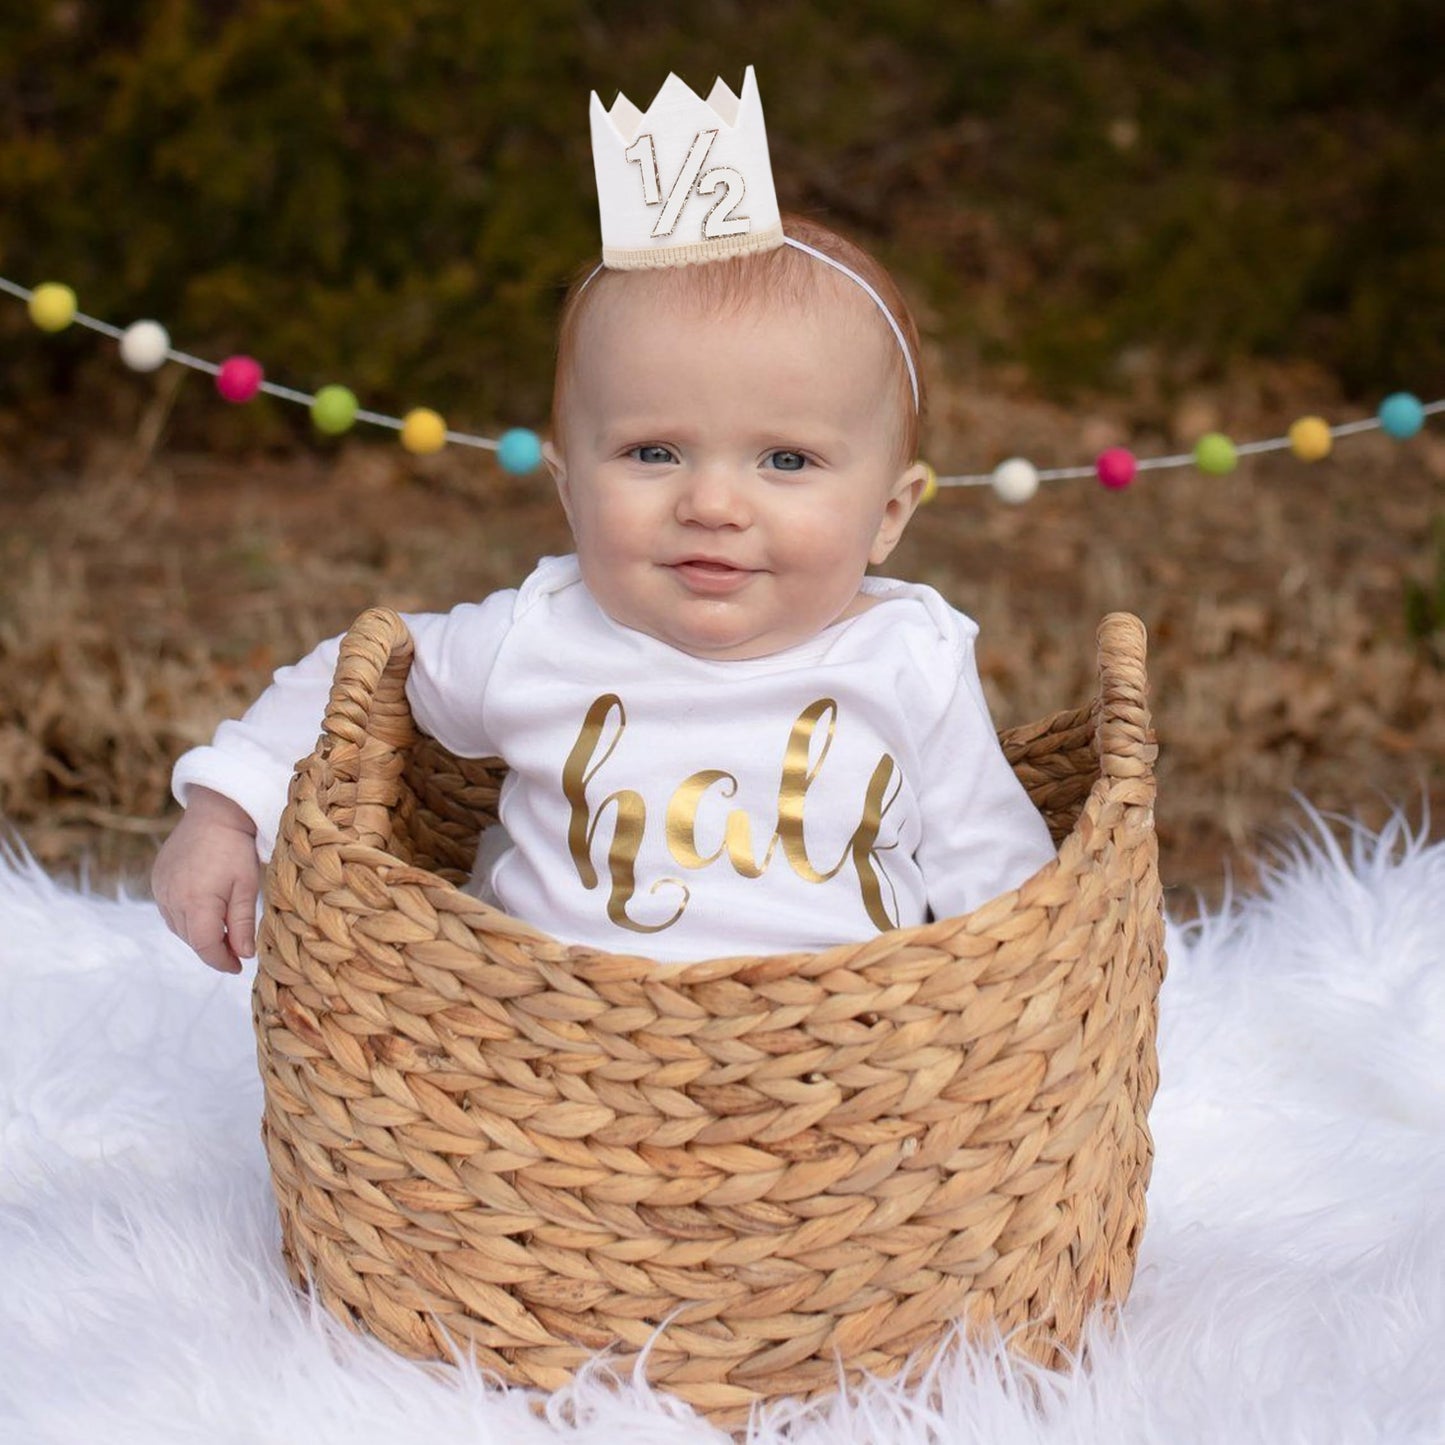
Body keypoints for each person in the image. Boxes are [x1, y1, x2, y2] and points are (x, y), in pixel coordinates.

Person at [152, 211, 1056, 972]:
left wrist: (1020, 1006)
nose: (709, 504)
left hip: (829, 1063)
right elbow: (360, 675)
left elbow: (998, 870)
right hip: (555, 1060)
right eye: (651, 453)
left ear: (889, 513)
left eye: (786, 460)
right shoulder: (540, 636)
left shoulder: (907, 657)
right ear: (567, 485)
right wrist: (227, 810)